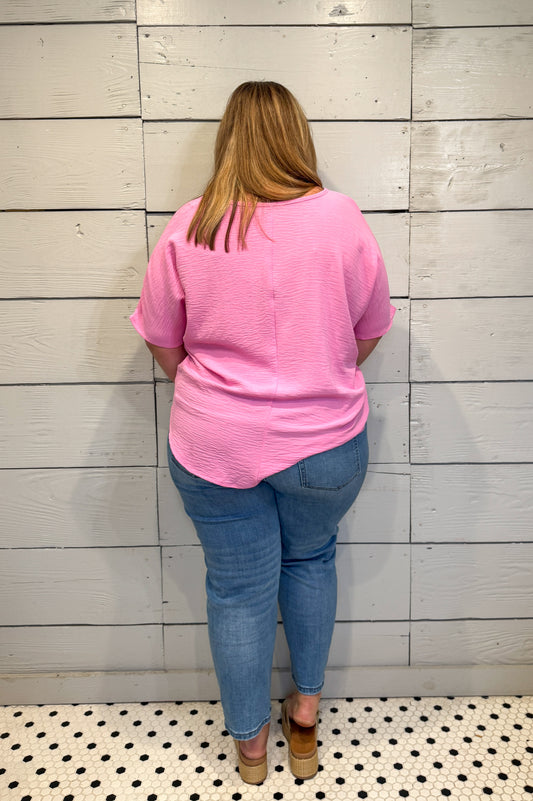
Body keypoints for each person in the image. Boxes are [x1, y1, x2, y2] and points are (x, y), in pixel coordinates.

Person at [130, 81, 395, 784]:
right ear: (295, 138)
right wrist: (313, 370)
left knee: (236, 590)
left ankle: (250, 750)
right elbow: (367, 332)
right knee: (310, 561)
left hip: (214, 443)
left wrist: (219, 391)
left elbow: (161, 341)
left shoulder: (192, 223)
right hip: (326, 442)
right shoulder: (342, 219)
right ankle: (302, 717)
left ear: (228, 141)